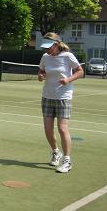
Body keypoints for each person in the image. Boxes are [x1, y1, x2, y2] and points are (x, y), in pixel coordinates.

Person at [38, 32, 83, 173]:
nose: (46, 50)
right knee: (47, 129)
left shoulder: (68, 56)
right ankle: (56, 152)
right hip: (47, 96)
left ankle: (67, 161)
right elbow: (41, 71)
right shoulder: (45, 57)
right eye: (45, 47)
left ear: (56, 44)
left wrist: (68, 80)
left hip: (64, 97)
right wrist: (41, 76)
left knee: (62, 129)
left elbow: (80, 71)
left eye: (49, 47)